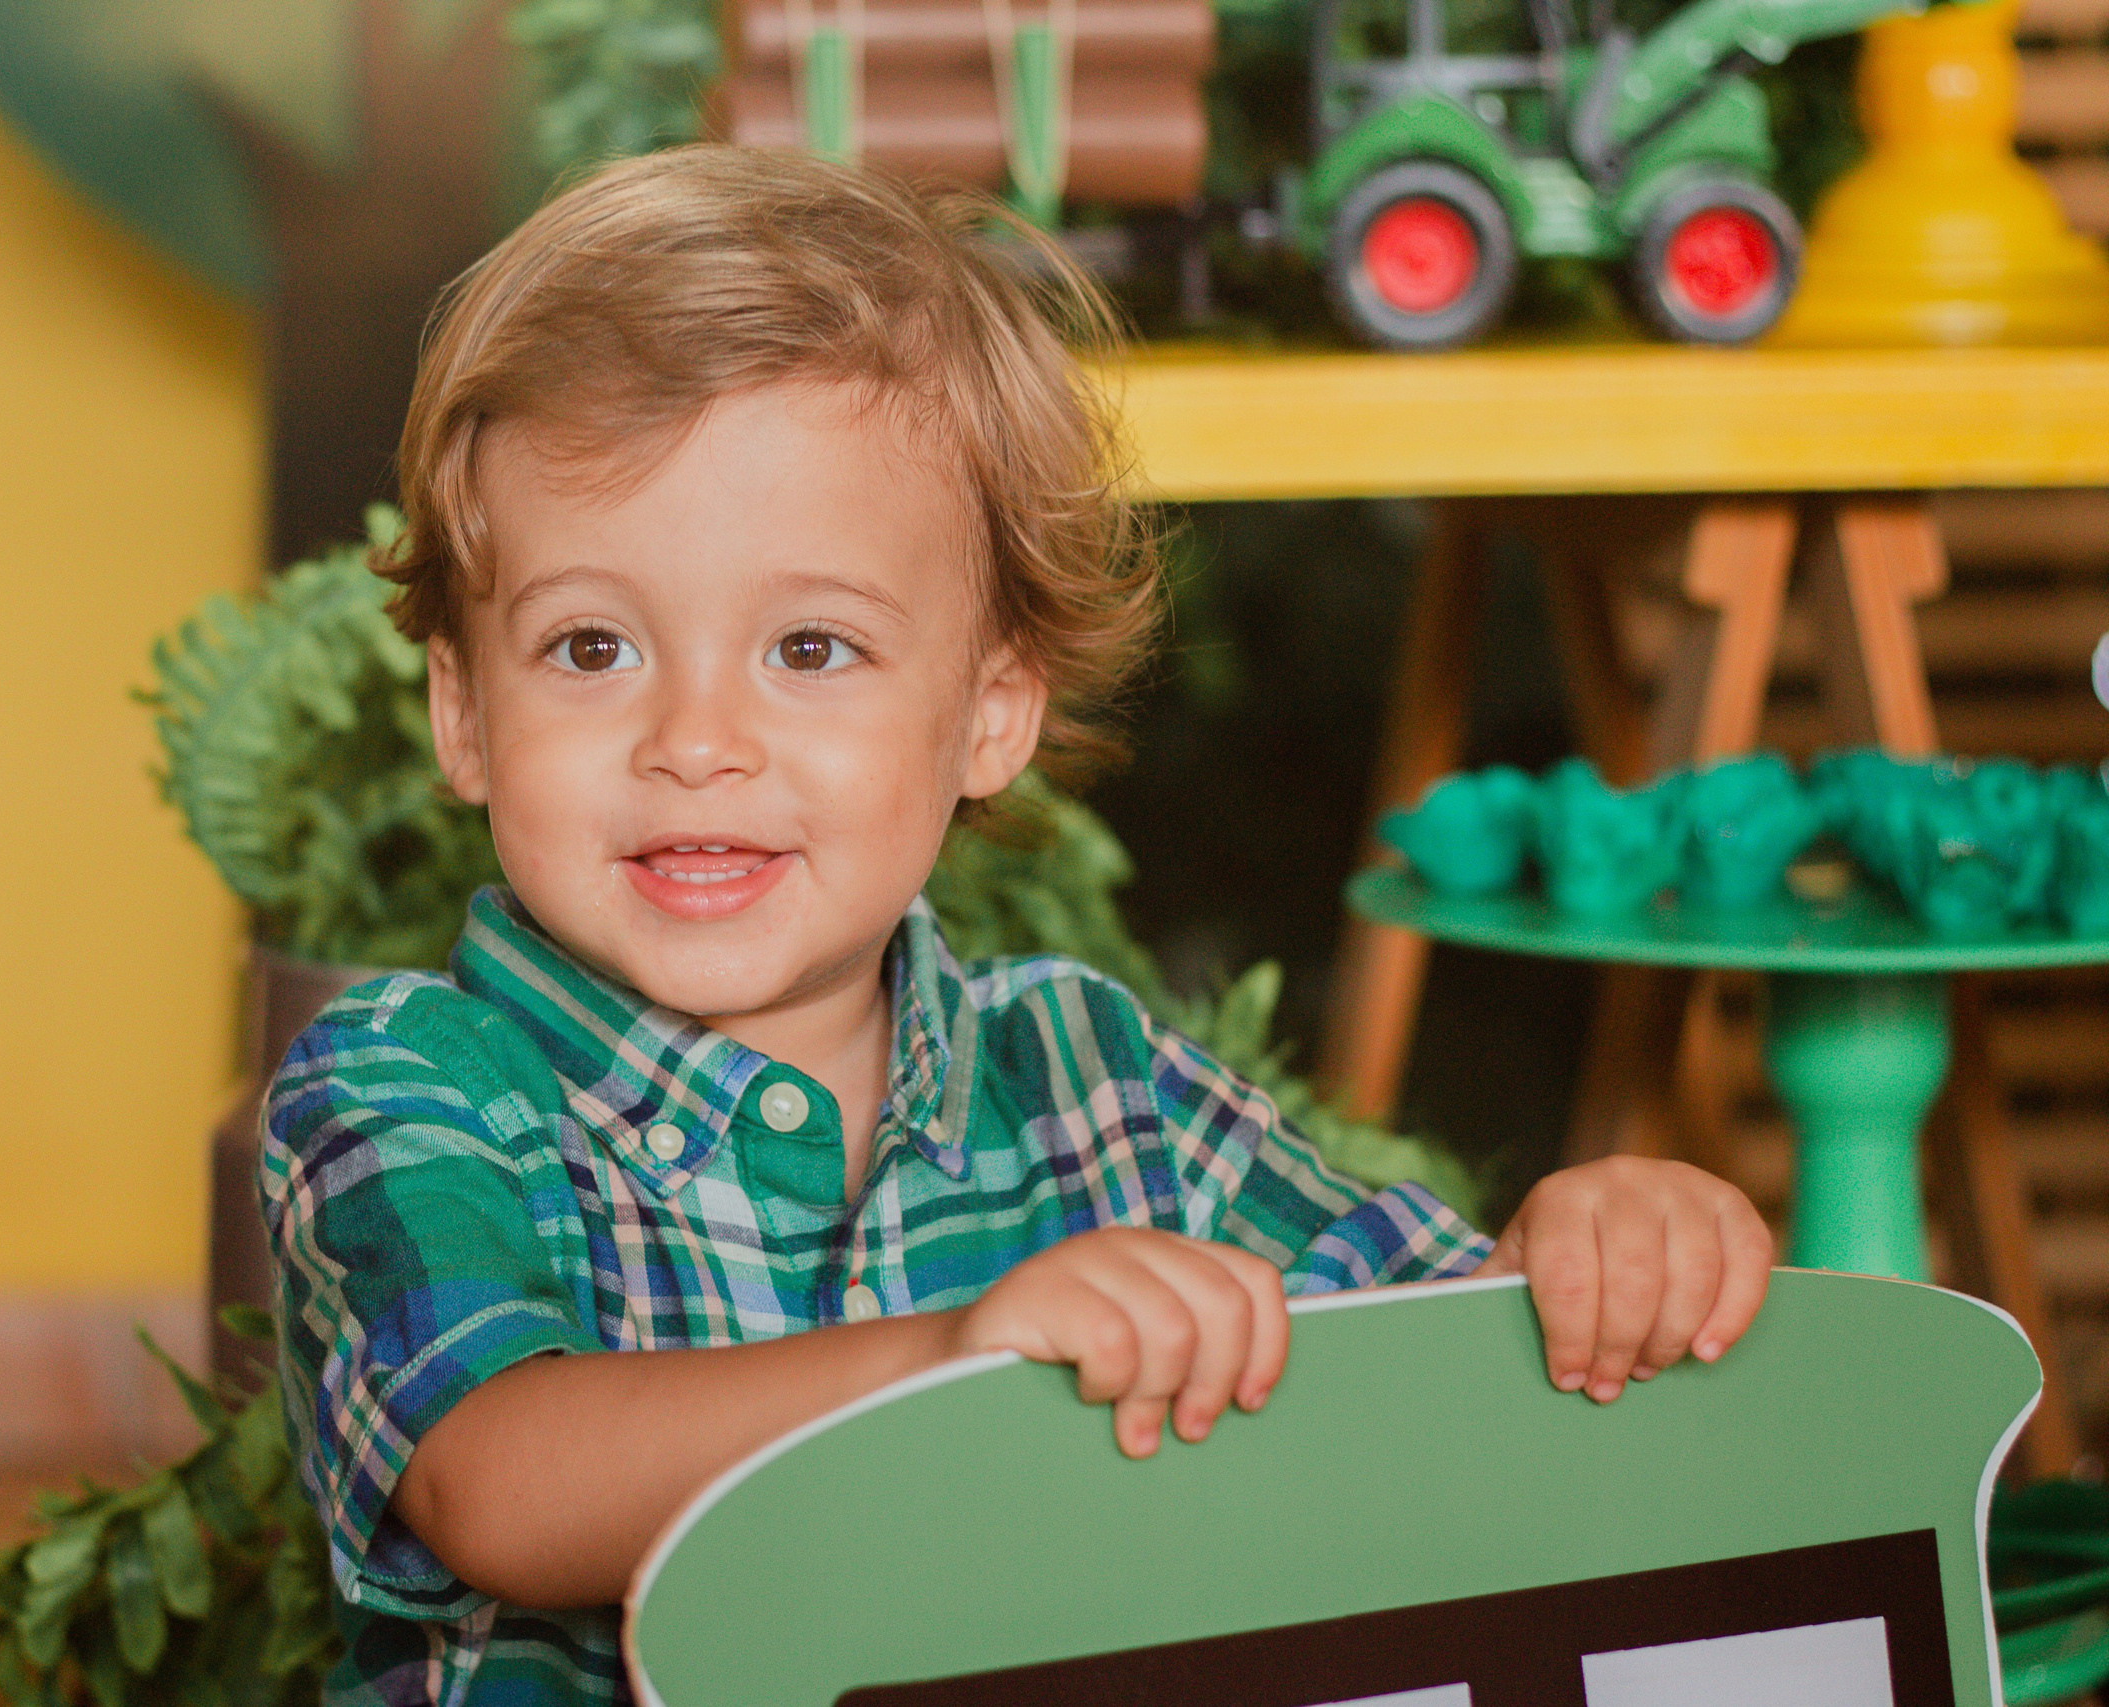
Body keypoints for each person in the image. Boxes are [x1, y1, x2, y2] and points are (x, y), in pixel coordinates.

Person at [260, 144, 1773, 1706]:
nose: (696, 738)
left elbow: (1414, 1375)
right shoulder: (401, 1083)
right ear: (463, 711)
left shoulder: (1095, 1079)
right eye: (590, 645)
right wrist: (950, 1368)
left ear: (989, 718)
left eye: (810, 645)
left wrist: (1578, 1272)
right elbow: (494, 1484)